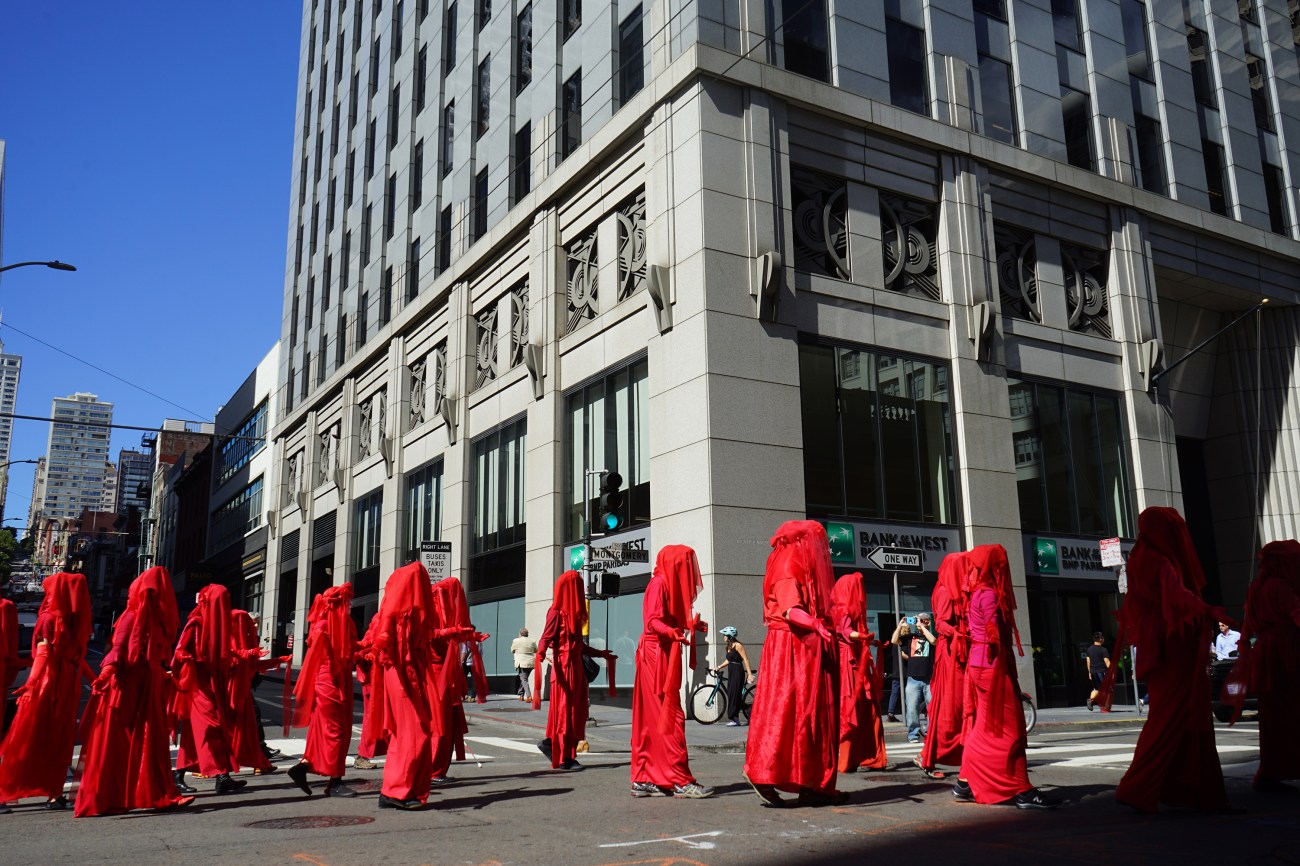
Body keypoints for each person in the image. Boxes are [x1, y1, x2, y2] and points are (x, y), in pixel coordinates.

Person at [1098, 506, 1231, 813]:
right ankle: (1142, 787)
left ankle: (1181, 787)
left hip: (1158, 645)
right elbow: (1179, 594)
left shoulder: (1139, 559)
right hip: (1173, 646)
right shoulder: (1159, 560)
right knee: (1173, 715)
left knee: (1171, 715)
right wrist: (1210, 611)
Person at [74, 567, 193, 817]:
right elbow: (117, 650)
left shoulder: (152, 620)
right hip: (128, 689)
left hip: (145, 687)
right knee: (128, 742)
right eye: (152, 592)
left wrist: (163, 676)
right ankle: (141, 795)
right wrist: (105, 674)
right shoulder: (131, 617)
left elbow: (150, 658)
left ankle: (157, 794)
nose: (157, 597)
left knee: (149, 742)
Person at [743, 520, 845, 807]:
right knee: (789, 713)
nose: (820, 551)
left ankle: (811, 782)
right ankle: (765, 772)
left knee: (807, 717)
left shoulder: (792, 564)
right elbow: (791, 611)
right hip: (791, 649)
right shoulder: (788, 566)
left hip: (801, 646)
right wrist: (816, 624)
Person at [952, 544, 1057, 810]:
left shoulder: (977, 592)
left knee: (986, 726)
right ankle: (1020, 789)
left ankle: (967, 779)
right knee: (1010, 726)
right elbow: (992, 632)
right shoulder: (987, 594)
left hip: (981, 664)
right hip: (990, 666)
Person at [0, 572, 94, 810]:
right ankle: (53, 792)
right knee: (58, 739)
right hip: (64, 685)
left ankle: (21, 787)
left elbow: (43, 654)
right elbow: (77, 659)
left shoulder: (48, 619)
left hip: (48, 683)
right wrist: (94, 679)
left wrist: (31, 683)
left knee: (30, 738)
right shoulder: (74, 624)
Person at [629, 545, 713, 799]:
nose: (689, 573)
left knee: (653, 720)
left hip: (658, 654)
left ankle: (645, 778)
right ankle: (678, 779)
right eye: (685, 566)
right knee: (671, 717)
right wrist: (673, 631)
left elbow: (663, 619)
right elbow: (653, 621)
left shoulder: (663, 583)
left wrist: (687, 625)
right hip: (656, 655)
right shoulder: (659, 583)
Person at [369, 562, 450, 810]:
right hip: (400, 676)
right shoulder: (394, 614)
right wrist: (379, 644)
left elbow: (429, 638)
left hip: (411, 675)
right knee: (412, 732)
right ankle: (396, 790)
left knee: (414, 732)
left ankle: (402, 788)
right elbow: (381, 640)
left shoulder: (411, 615)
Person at [1224, 539, 1300, 793]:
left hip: (1266, 655)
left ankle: (1271, 771)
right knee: (1290, 712)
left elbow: (1247, 623)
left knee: (1272, 718)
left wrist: (1246, 647)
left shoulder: (1256, 586)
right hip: (1285, 653)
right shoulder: (1281, 587)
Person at [171, 584, 247, 796]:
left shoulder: (217, 626)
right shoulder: (196, 624)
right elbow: (179, 651)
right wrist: (189, 660)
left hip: (213, 684)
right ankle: (221, 775)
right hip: (198, 686)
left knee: (195, 733)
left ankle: (180, 775)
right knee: (212, 727)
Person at [533, 570, 612, 771]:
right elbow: (546, 637)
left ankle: (555, 747)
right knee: (564, 713)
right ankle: (563, 757)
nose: (580, 589)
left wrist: (600, 653)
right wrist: (541, 653)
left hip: (575, 669)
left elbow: (579, 646)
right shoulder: (556, 612)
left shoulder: (574, 615)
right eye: (577, 586)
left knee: (574, 713)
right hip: (563, 669)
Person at [287, 583, 360, 798]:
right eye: (346, 602)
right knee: (336, 731)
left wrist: (370, 647)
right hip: (329, 682)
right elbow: (319, 657)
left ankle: (304, 767)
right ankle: (334, 782)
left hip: (337, 679)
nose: (349, 606)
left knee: (328, 731)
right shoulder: (324, 626)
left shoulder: (339, 623)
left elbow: (349, 650)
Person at [919, 551, 970, 779]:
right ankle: (930, 756)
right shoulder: (946, 591)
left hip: (955, 653)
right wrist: (961, 633)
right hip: (950, 655)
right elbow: (940, 624)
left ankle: (965, 755)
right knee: (950, 707)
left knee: (957, 707)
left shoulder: (952, 590)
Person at [430, 578, 485, 785]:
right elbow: (427, 635)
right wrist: (453, 632)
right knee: (440, 725)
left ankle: (439, 769)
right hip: (436, 676)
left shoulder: (445, 613)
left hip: (447, 673)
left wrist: (472, 636)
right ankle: (434, 770)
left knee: (450, 725)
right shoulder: (432, 610)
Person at [830, 573, 886, 774]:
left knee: (866, 707)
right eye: (857, 587)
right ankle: (853, 757)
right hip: (849, 663)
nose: (860, 592)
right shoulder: (842, 609)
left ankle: (866, 756)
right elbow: (846, 632)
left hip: (855, 660)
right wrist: (864, 637)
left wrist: (869, 641)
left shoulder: (850, 610)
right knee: (856, 706)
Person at [229, 609, 282, 776]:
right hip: (233, 688)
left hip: (242, 687)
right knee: (238, 725)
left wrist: (277, 660)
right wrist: (250, 653)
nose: (256, 625)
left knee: (249, 723)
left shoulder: (245, 637)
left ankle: (258, 760)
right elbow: (230, 657)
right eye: (252, 622)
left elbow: (252, 665)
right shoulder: (231, 637)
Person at [354, 615, 388, 770]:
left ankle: (364, 754)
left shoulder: (376, 627)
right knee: (372, 719)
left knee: (377, 719)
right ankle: (362, 755)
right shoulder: (377, 629)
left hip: (378, 679)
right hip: (373, 680)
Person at [903, 612, 935, 744]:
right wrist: (900, 626)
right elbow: (896, 642)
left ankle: (930, 732)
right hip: (913, 677)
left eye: (926, 621)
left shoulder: (932, 635)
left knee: (932, 707)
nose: (923, 623)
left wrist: (923, 627)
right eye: (921, 620)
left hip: (929, 677)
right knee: (912, 708)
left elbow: (933, 641)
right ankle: (913, 735)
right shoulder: (911, 637)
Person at [714, 626, 753, 727]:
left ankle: (735, 719)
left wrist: (749, 674)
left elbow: (745, 659)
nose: (723, 636)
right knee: (733, 695)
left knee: (734, 694)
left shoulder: (738, 645)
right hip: (731, 671)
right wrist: (719, 666)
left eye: (724, 635)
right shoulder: (729, 646)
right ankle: (751, 713)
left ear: (729, 636)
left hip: (738, 671)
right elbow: (729, 660)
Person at [885, 621, 910, 723]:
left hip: (896, 671)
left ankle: (891, 712)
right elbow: (904, 656)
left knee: (895, 692)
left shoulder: (896, 643)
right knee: (906, 692)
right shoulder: (902, 643)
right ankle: (908, 711)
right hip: (904, 671)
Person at [1085, 632, 1110, 712]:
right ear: (1100, 639)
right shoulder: (1103, 650)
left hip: (1093, 672)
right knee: (1105, 689)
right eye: (1102, 637)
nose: (1103, 639)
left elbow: (1088, 662)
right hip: (1102, 672)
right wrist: (1111, 671)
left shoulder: (1089, 649)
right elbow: (1107, 661)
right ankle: (1104, 706)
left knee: (1096, 688)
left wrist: (1089, 672)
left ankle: (1091, 700)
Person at [511, 627, 537, 702]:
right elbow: (536, 650)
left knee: (524, 679)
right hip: (531, 663)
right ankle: (521, 694)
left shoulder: (516, 641)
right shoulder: (532, 641)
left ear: (520, 634)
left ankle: (528, 696)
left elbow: (512, 650)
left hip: (521, 662)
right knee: (524, 679)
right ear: (527, 634)